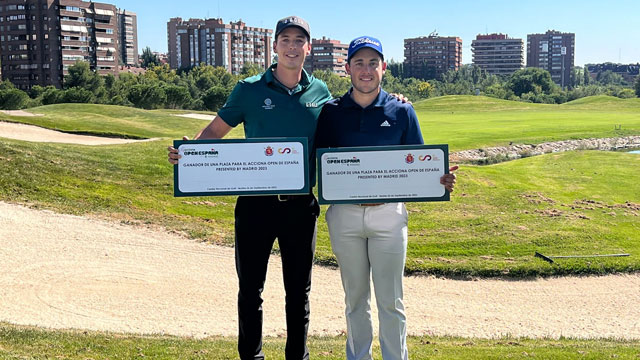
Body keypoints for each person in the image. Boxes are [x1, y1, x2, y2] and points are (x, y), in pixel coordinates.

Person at [168, 16, 331, 360]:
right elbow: (214, 132)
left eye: (298, 40)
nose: (291, 46)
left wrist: (395, 101)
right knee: (250, 290)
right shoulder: (249, 89)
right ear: (274, 46)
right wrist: (189, 153)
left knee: (298, 292)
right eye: (284, 39)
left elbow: (340, 134)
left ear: (308, 48)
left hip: (301, 207)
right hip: (256, 205)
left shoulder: (321, 92)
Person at [315, 36, 458, 360]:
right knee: (355, 299)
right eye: (359, 63)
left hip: (388, 216)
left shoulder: (403, 110)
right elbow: (318, 163)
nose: (366, 70)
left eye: (373, 63)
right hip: (345, 217)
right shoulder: (331, 112)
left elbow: (422, 165)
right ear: (348, 67)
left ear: (384, 68)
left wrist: (441, 178)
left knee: (391, 300)